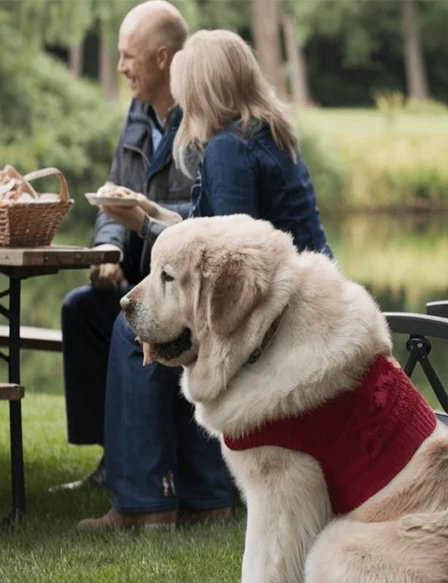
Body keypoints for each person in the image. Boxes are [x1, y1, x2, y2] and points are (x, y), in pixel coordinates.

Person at [77, 29, 333, 529]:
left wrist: (145, 227)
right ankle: (202, 490)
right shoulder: (265, 131)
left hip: (277, 316)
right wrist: (151, 215)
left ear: (203, 86)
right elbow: (217, 229)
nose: (180, 100)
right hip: (304, 299)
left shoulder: (226, 149)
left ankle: (146, 502)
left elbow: (232, 251)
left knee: (134, 328)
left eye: (184, 86)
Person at [57, 0, 196, 491]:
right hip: (139, 272)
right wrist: (109, 252)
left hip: (183, 291)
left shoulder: (202, 121)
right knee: (82, 309)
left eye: (127, 56)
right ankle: (110, 459)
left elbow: (202, 223)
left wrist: (138, 224)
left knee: (122, 320)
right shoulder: (139, 112)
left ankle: (149, 471)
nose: (119, 67)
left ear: (162, 58)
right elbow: (114, 192)